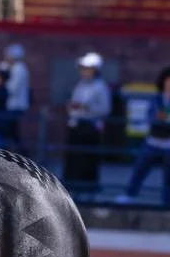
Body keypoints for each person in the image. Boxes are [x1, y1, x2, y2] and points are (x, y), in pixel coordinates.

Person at [117, 66, 170, 208]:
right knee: (140, 170)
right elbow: (151, 117)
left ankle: (166, 203)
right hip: (153, 142)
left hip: (168, 145)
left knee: (168, 178)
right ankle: (130, 195)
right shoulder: (156, 99)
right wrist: (160, 119)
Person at [63, 52, 111, 193]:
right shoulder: (80, 85)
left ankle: (88, 187)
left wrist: (88, 108)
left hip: (90, 127)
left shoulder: (101, 87)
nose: (84, 72)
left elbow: (105, 109)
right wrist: (72, 107)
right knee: (74, 158)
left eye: (87, 69)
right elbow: (75, 101)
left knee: (88, 160)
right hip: (76, 125)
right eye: (83, 69)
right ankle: (72, 185)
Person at [3, 42, 30, 148]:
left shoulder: (18, 69)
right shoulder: (16, 68)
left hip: (15, 105)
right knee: (12, 133)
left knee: (11, 133)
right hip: (14, 105)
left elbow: (12, 88)